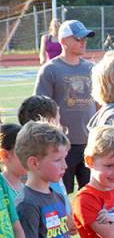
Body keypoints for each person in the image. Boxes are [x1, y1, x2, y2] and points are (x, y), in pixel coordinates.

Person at [34, 19, 97, 194]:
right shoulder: (50, 70)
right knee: (62, 195)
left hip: (90, 143)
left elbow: (99, 103)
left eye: (85, 38)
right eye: (78, 39)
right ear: (63, 41)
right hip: (61, 146)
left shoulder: (92, 68)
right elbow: (40, 108)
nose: (83, 42)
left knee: (92, 195)